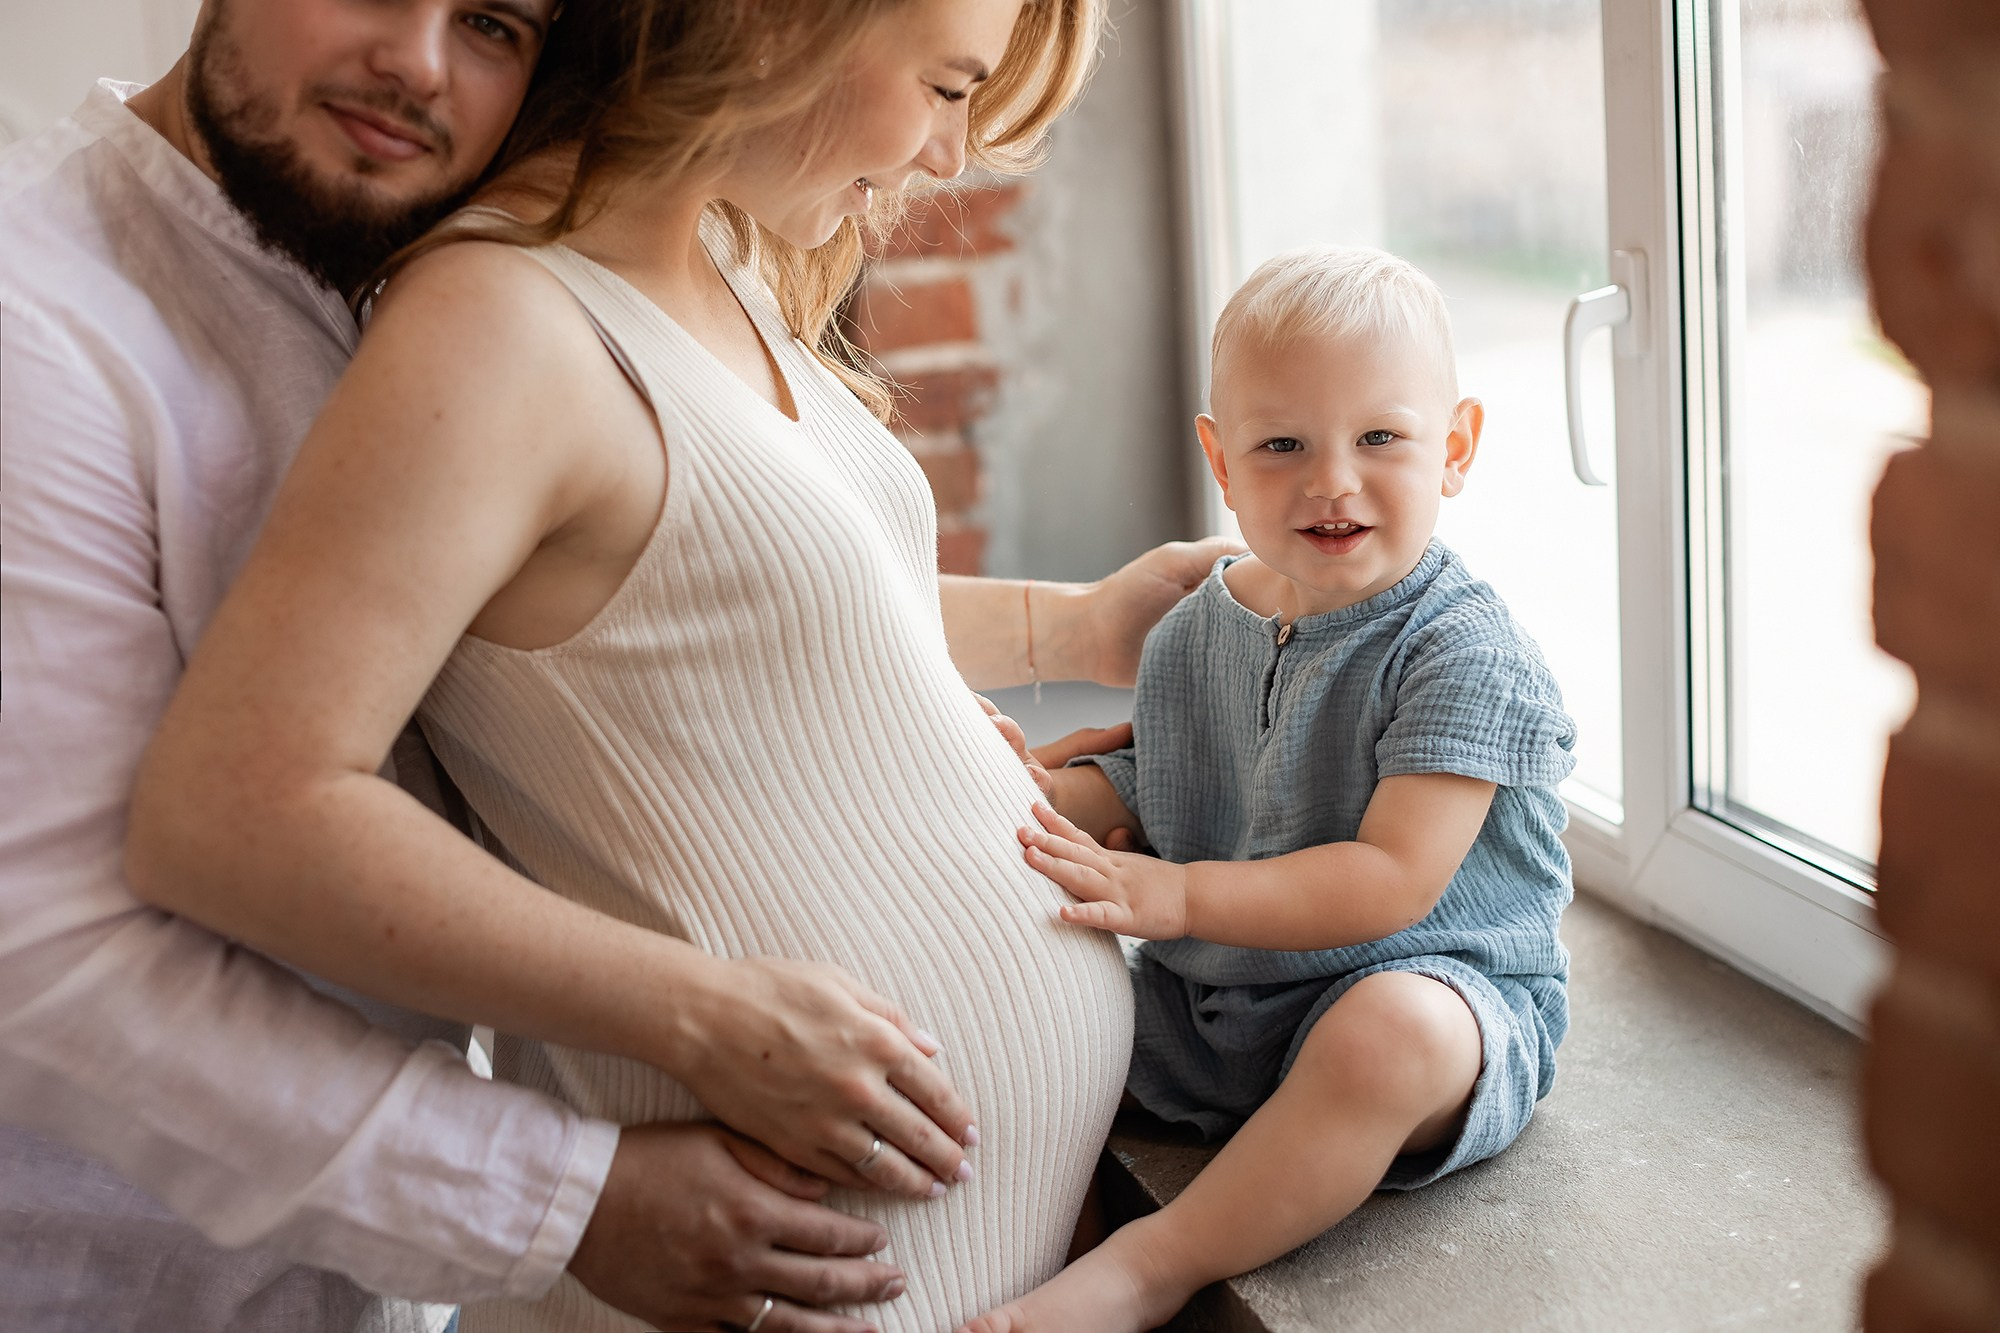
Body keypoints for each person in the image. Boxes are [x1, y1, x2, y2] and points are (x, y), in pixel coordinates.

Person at [0, 0, 1223, 1328]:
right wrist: (611, 1143)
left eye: (492, 21)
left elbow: (711, 593)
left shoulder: (639, 252)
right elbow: (79, 938)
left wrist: (994, 676)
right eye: (944, 88)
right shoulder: (66, 329)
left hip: (433, 1270)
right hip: (138, 1274)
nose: (417, 63)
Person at [962, 247, 1578, 1332]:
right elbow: (1167, 772)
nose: (1330, 479)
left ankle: (1156, 1262)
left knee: (1388, 1036)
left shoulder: (1462, 653)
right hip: (1218, 1003)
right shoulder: (1199, 624)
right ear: (1221, 461)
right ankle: (1021, 1248)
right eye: (1281, 443)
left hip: (1422, 984)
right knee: (1020, 985)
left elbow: (1390, 878)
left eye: (1379, 437)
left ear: (1456, 448)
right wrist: (1046, 801)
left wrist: (1179, 897)